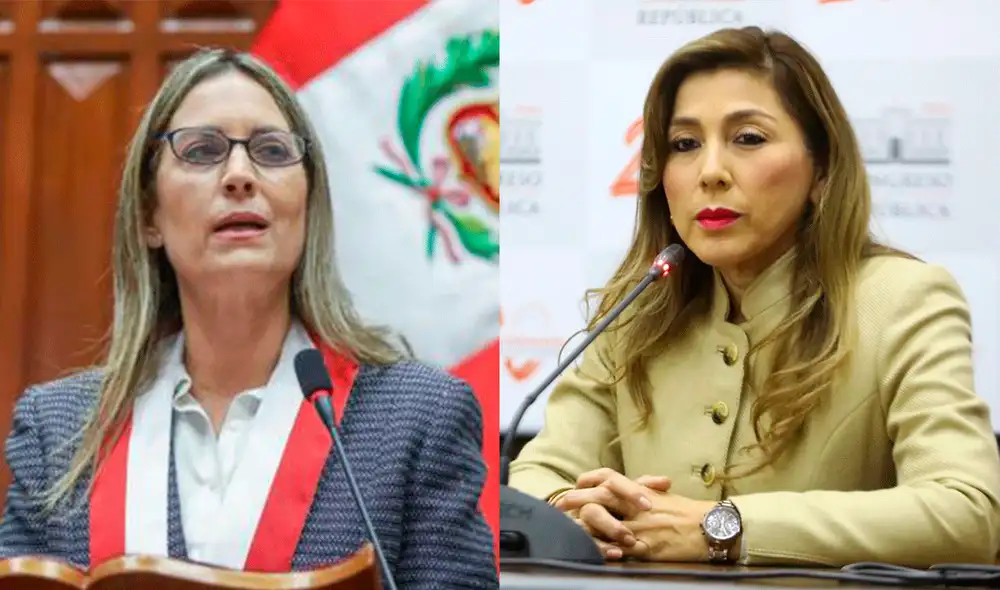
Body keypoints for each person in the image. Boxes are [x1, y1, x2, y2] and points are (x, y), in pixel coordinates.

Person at [0, 48, 497, 589]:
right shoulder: (60, 430)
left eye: (271, 150)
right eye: (202, 150)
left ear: (308, 206)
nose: (240, 175)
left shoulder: (416, 419)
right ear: (149, 215)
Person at [508, 26, 1000, 568]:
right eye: (684, 145)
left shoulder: (903, 300)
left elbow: (966, 512)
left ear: (822, 171)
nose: (711, 172)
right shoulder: (637, 312)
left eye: (748, 139)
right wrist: (572, 512)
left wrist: (724, 528)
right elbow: (538, 476)